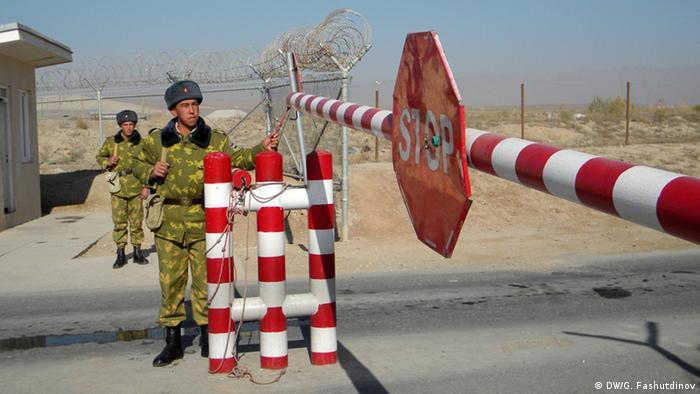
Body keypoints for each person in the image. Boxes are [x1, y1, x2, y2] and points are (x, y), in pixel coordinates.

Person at [132, 80, 280, 367]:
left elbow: (238, 158)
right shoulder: (156, 141)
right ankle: (172, 343)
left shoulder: (215, 140)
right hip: (169, 224)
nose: (192, 109)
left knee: (205, 284)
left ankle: (207, 338)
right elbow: (135, 164)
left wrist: (260, 149)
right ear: (173, 110)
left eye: (195, 104)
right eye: (185, 105)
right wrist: (150, 170)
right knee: (171, 284)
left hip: (205, 222)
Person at [96, 110, 150, 269]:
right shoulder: (111, 142)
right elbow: (100, 157)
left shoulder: (142, 143)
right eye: (125, 125)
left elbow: (148, 165)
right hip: (117, 185)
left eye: (131, 124)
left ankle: (137, 251)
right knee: (119, 222)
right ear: (120, 126)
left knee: (137, 221)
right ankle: (120, 253)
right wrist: (108, 163)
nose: (128, 127)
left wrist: (146, 187)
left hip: (136, 184)